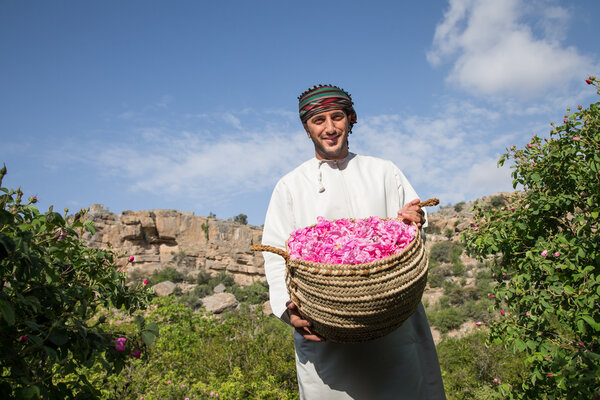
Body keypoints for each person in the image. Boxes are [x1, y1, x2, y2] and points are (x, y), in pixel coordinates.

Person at [261, 85, 446, 399]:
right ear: (307, 129)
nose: (330, 128)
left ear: (351, 119)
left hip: (393, 328)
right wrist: (287, 310)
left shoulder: (384, 171)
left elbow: (412, 236)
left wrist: (415, 221)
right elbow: (277, 254)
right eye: (319, 120)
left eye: (337, 117)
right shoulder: (290, 186)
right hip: (327, 337)